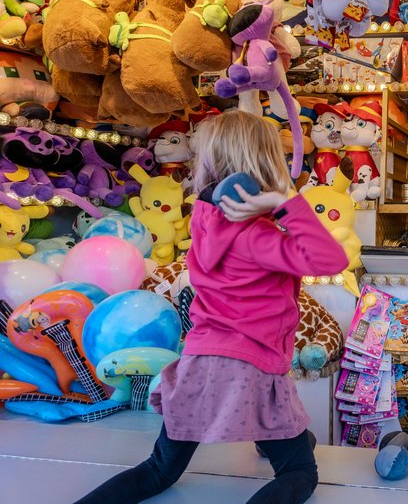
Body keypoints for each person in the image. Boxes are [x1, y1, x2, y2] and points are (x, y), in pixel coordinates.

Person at [75, 110, 349, 504]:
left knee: (159, 469)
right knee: (299, 471)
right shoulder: (256, 235)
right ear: (264, 165)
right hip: (251, 369)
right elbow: (330, 260)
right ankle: (278, 439)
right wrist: (287, 200)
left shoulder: (205, 220)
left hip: (199, 364)